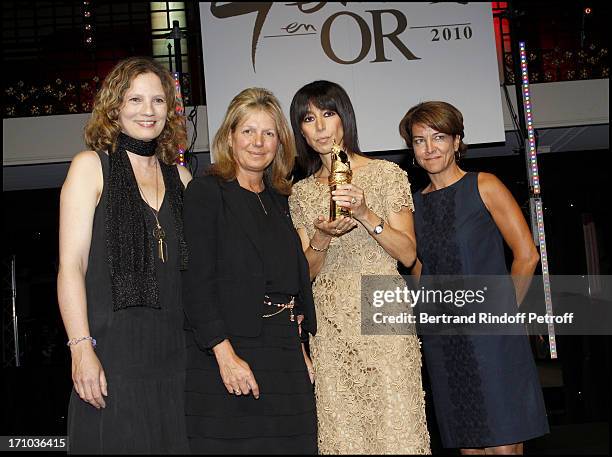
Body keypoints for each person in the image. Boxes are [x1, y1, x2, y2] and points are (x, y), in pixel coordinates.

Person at [57, 56, 192, 454]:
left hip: (176, 360)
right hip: (113, 359)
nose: (147, 111)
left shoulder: (181, 179)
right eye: (135, 100)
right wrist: (81, 349)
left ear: (170, 109)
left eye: (157, 101)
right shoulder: (90, 167)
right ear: (115, 107)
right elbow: (70, 266)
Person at [288, 80, 430, 454]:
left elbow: (408, 254)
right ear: (299, 129)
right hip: (331, 323)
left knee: (397, 429)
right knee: (344, 433)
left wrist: (367, 214)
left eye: (328, 114)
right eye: (308, 118)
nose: (319, 127)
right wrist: (322, 237)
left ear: (344, 118)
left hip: (383, 311)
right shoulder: (301, 192)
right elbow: (305, 274)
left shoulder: (386, 174)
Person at [399, 101, 550, 454]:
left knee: (503, 446)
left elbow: (527, 255)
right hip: (445, 341)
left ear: (456, 141)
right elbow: (420, 269)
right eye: (420, 141)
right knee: (469, 447)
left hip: (493, 339)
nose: (430, 148)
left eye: (439, 137)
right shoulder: (413, 205)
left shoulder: (484, 185)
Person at [182, 87, 317, 454]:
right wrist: (224, 355)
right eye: (248, 131)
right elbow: (196, 282)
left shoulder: (280, 200)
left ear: (280, 142)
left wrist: (301, 350)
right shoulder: (207, 192)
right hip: (230, 352)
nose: (258, 142)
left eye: (269, 133)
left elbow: (291, 285)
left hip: (284, 355)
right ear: (230, 137)